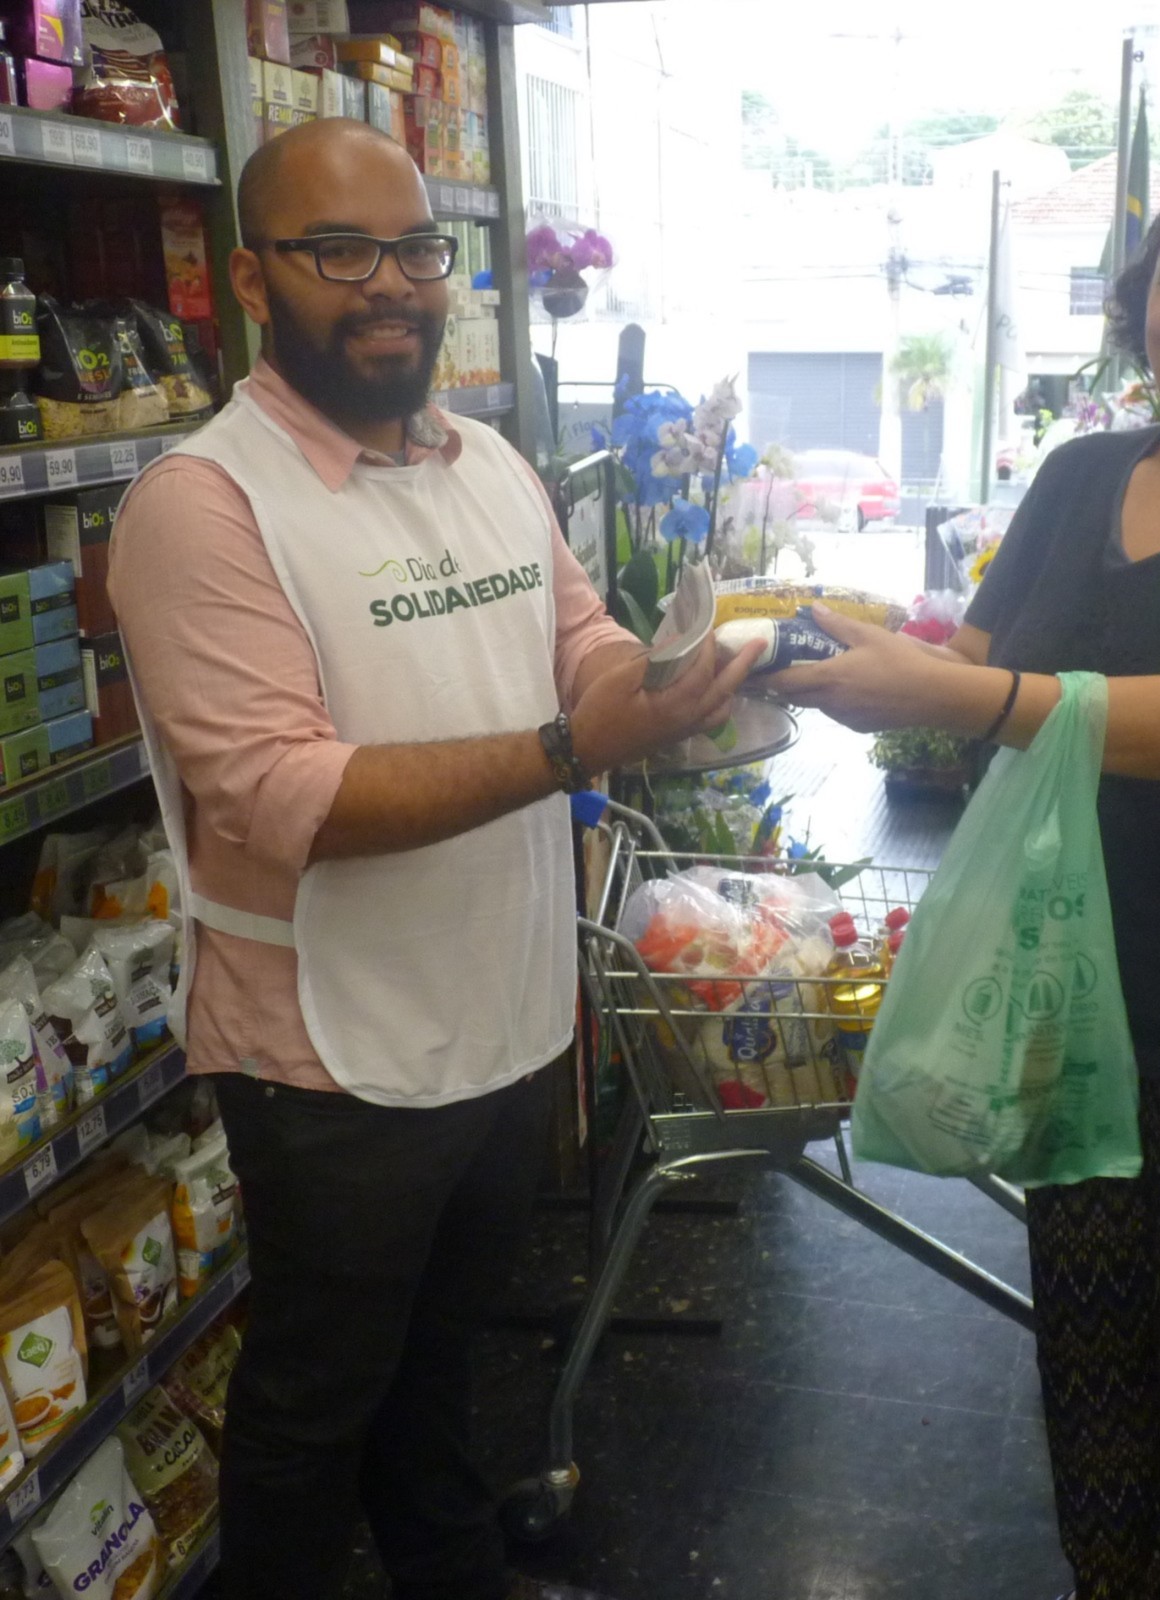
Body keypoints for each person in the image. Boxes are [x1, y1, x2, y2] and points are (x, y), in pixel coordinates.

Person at [110, 118, 759, 1600]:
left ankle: (450, 1568)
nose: (390, 284)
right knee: (316, 1398)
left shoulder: (488, 464)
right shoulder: (206, 505)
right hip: (331, 1056)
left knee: (440, 1363)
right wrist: (569, 747)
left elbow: (579, 641)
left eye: (414, 248)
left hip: (502, 1012)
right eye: (340, 252)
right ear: (252, 279)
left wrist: (670, 682)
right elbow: (283, 793)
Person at [767, 148, 1160, 1600]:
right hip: (1070, 1001)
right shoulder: (1078, 476)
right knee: (1101, 1388)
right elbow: (978, 661)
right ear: (1141, 300)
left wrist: (959, 695)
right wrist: (826, 663)